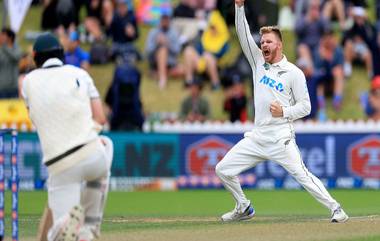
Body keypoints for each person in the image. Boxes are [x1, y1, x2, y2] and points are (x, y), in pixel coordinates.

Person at [215, 0, 348, 223]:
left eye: (269, 41)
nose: (263, 44)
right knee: (223, 169)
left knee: (302, 175)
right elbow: (243, 33)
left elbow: (306, 107)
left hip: (280, 138)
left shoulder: (293, 72)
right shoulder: (258, 61)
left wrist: (284, 111)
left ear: (279, 45)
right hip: (257, 137)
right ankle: (244, 207)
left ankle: (337, 209)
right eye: (262, 41)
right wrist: (239, 7)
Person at [20, 33, 113, 241]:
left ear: (35, 56)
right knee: (106, 145)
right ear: (61, 53)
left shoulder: (27, 82)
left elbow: (38, 119)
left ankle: (62, 227)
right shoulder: (79, 73)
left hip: (60, 165)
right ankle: (89, 227)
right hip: (91, 153)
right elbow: (100, 118)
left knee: (60, 235)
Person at [145, 14, 183, 89]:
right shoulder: (153, 32)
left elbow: (177, 51)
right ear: (160, 21)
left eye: (167, 20)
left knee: (183, 70)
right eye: (163, 20)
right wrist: (156, 43)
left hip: (170, 63)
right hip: (156, 62)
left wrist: (168, 44)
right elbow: (148, 51)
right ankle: (163, 79)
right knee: (162, 50)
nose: (165, 22)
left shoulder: (174, 33)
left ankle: (159, 74)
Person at [0, 27, 22, 98]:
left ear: (10, 37)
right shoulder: (1, 50)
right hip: (2, 87)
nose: (1, 37)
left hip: (13, 87)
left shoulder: (17, 49)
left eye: (3, 35)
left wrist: (4, 46)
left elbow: (16, 57)